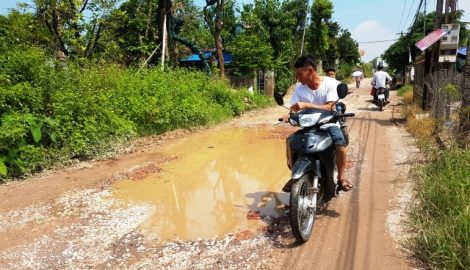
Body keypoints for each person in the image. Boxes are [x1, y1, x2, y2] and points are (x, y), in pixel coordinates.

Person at [282, 55, 353, 192]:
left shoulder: (331, 84)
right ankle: (295, 175)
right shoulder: (299, 88)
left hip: (329, 123)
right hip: (309, 125)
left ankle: (341, 178)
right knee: (291, 141)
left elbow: (330, 107)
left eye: (299, 74)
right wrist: (289, 114)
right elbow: (294, 108)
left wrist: (307, 104)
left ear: (309, 71)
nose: (298, 78)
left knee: (340, 144)